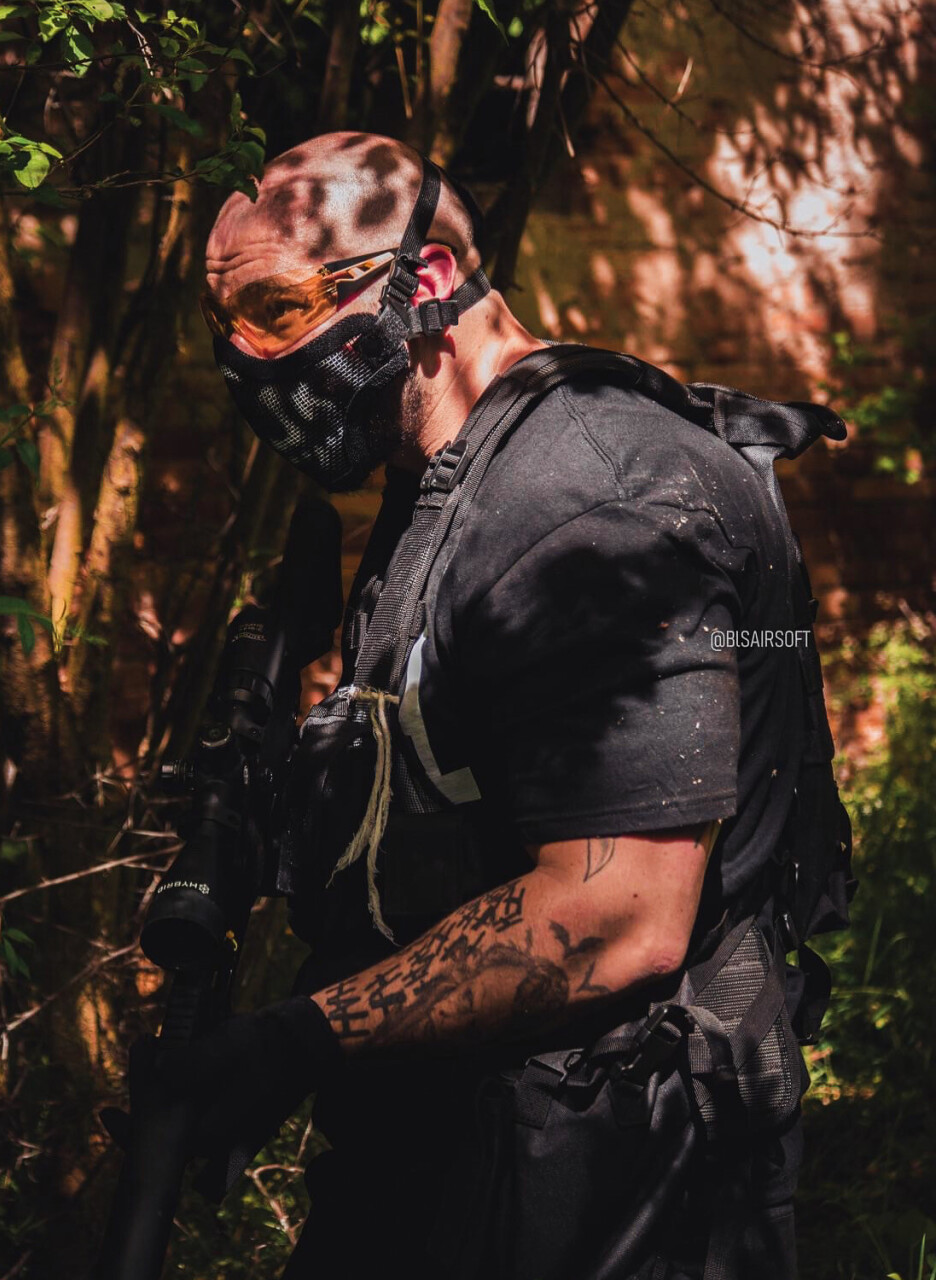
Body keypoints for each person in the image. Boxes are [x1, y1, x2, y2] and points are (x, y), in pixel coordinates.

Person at [185, 130, 828, 1279]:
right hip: (452, 1139)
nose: (246, 355)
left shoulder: (589, 498)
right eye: (222, 321)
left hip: (608, 1174)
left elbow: (622, 907)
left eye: (278, 309)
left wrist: (297, 1040)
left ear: (425, 280)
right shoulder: (449, 470)